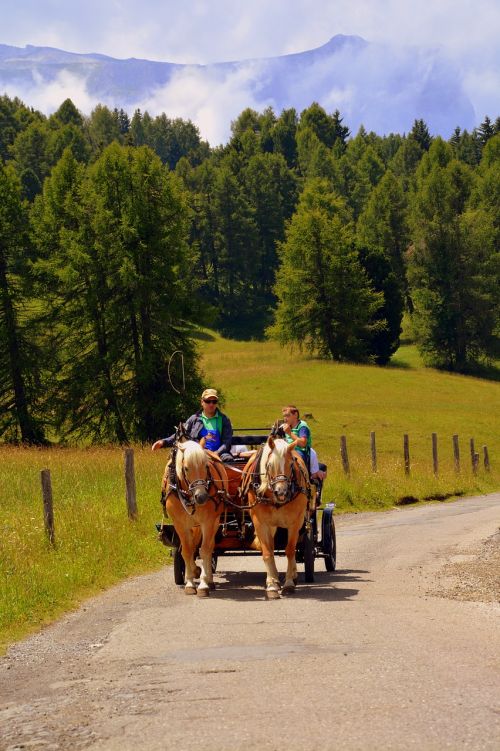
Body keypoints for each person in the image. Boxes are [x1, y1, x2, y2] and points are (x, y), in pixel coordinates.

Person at [151, 388, 234, 461]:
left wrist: (216, 453)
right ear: (202, 402)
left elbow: (226, 443)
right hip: (197, 455)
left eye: (214, 401)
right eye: (208, 401)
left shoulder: (224, 420)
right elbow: (180, 434)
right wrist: (163, 442)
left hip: (219, 455)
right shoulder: (194, 419)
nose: (211, 404)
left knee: (228, 460)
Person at [281, 405, 326, 481]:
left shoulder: (302, 426)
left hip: (301, 450)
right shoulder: (286, 426)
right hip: (288, 450)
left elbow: (303, 443)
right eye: (284, 416)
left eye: (288, 415)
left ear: (295, 415)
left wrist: (289, 433)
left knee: (297, 461)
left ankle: (302, 479)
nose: (285, 418)